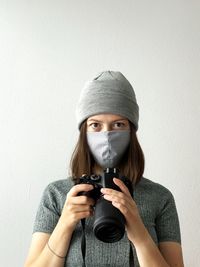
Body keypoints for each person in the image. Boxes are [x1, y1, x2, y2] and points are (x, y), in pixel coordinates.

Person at [24, 71, 184, 267]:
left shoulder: (160, 197)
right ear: (84, 131)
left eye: (118, 124)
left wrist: (140, 234)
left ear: (131, 130)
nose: (107, 135)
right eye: (95, 125)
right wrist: (65, 224)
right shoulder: (57, 195)